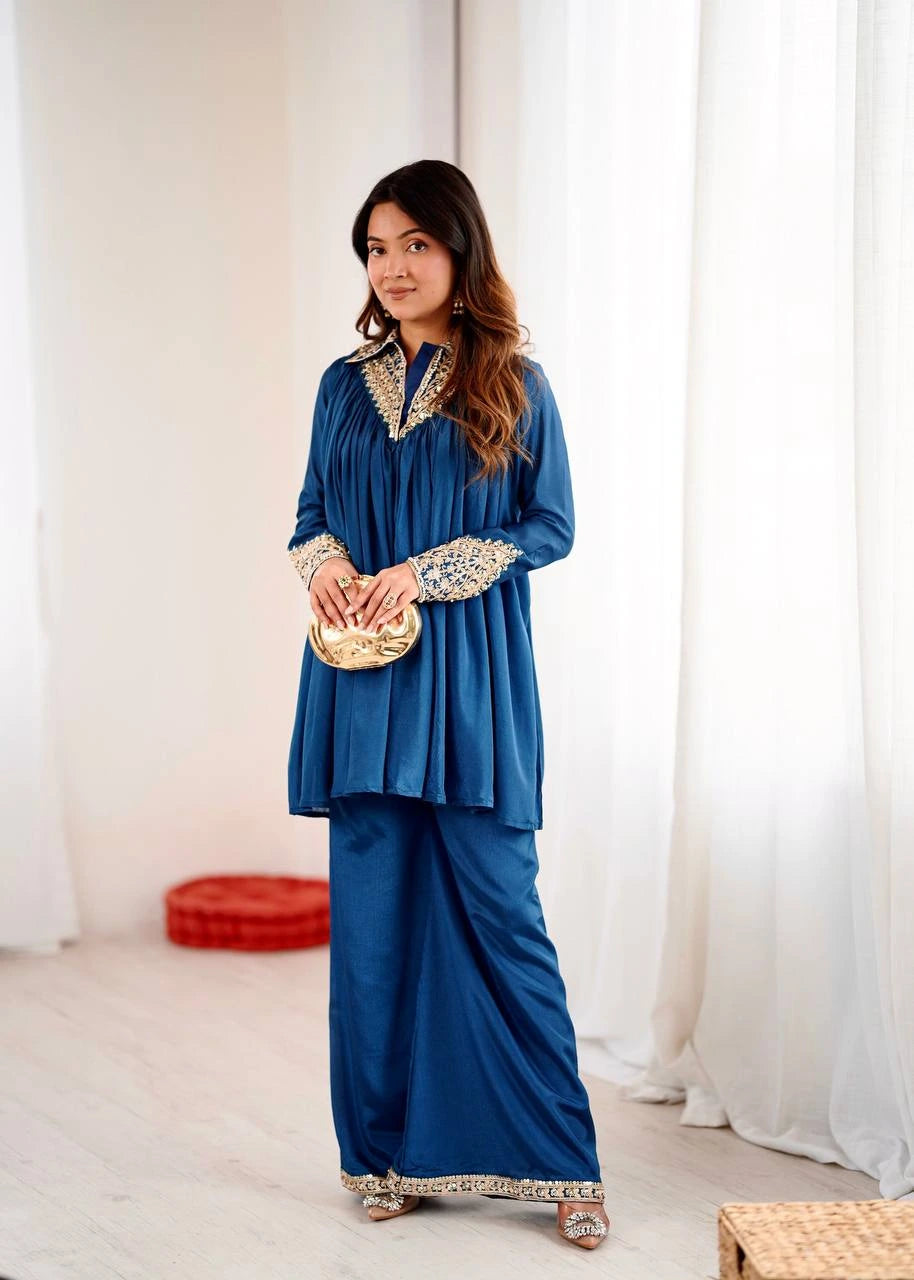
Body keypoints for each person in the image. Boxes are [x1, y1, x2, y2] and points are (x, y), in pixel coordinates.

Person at [286, 160, 610, 1251]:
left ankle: (563, 1163)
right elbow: (311, 514)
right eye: (376, 249)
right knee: (371, 925)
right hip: (362, 681)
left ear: (459, 249)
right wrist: (329, 566)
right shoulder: (342, 385)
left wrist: (423, 573)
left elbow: (549, 526)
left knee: (501, 908)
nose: (392, 267)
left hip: (470, 682)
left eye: (414, 244)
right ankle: (381, 1155)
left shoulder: (515, 380)